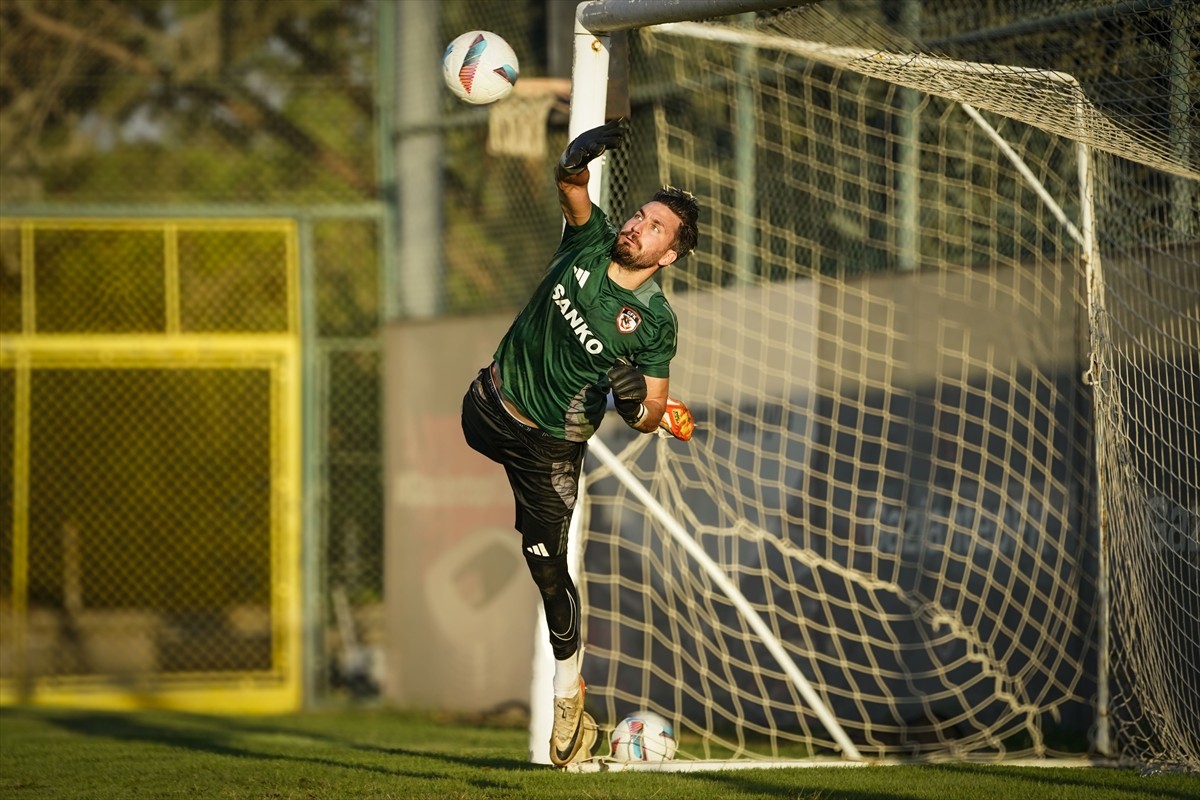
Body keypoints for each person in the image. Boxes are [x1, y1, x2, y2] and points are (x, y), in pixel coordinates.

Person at [460, 118, 700, 767]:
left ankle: (571, 693)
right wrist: (575, 157)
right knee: (478, 426)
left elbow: (649, 414)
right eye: (640, 215)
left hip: (550, 451)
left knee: (545, 567)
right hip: (488, 408)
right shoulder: (588, 242)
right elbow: (573, 186)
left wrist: (636, 401)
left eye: (654, 228)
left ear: (668, 255)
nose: (636, 227)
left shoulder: (653, 322)